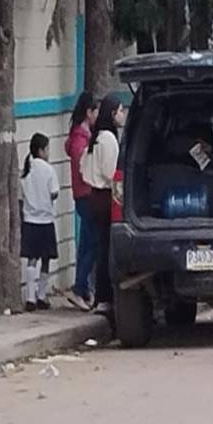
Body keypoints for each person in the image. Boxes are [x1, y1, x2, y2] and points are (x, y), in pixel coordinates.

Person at [83, 95, 125, 314]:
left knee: (100, 246)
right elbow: (112, 173)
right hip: (106, 196)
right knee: (107, 249)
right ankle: (104, 295)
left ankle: (100, 295)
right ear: (112, 113)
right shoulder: (108, 139)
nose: (123, 114)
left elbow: (84, 167)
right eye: (120, 110)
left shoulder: (96, 137)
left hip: (94, 196)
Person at [64, 91, 98, 311]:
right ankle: (79, 287)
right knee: (94, 243)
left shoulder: (82, 135)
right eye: (95, 112)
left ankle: (83, 288)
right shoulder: (80, 138)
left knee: (86, 242)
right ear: (88, 112)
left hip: (84, 194)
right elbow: (81, 163)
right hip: (86, 194)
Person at [20, 133, 59, 312]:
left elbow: (21, 197)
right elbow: (54, 193)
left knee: (31, 259)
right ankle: (41, 295)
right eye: (47, 149)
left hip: (29, 219)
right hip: (45, 219)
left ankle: (30, 297)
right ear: (41, 150)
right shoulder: (48, 170)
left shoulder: (26, 171)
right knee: (46, 258)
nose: (48, 152)